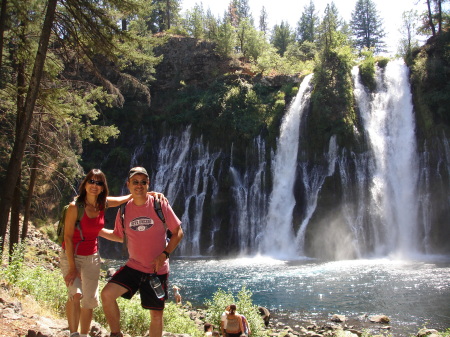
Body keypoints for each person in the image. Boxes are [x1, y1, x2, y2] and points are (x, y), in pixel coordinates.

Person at [60, 168, 164, 337]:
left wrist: (144, 192)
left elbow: (125, 198)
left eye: (99, 182)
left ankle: (84, 334)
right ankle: (74, 334)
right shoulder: (74, 207)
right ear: (85, 184)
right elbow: (68, 237)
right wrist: (72, 267)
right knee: (76, 294)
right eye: (91, 181)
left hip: (92, 256)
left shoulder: (102, 204)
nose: (95, 185)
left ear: (102, 187)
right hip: (71, 255)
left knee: (90, 300)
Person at [100, 167, 184, 337]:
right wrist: (97, 230)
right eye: (135, 182)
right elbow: (118, 236)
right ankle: (116, 334)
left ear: (148, 184)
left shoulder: (159, 204)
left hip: (156, 270)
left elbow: (178, 232)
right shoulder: (123, 210)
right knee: (107, 295)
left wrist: (165, 254)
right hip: (134, 266)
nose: (139, 185)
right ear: (128, 184)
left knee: (156, 315)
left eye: (143, 182)